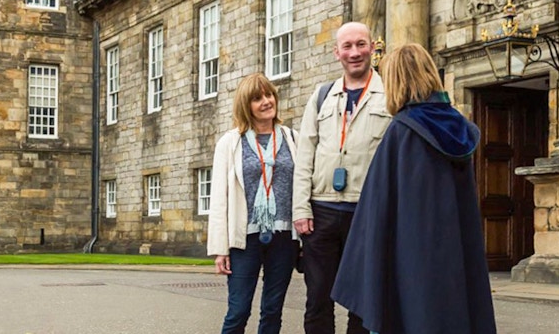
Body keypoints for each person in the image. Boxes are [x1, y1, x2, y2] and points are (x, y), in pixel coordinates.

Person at [332, 43, 497, 334]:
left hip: (410, 257)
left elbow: (378, 208)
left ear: (397, 81)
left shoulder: (403, 131)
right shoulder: (458, 127)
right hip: (455, 250)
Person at [292, 22, 390, 334]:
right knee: (318, 297)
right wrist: (300, 209)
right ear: (337, 53)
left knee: (362, 301)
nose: (354, 52)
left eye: (361, 44)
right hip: (321, 212)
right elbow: (304, 154)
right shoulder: (321, 96)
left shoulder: (390, 95)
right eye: (347, 47)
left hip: (367, 211)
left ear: (372, 47)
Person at [207, 73, 300, 334]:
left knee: (272, 311)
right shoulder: (230, 142)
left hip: (283, 237)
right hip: (243, 239)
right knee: (238, 311)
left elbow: (303, 187)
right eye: (257, 98)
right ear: (245, 105)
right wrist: (220, 249)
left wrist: (303, 239)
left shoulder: (292, 138)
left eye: (269, 95)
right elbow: (219, 198)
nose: (266, 101)